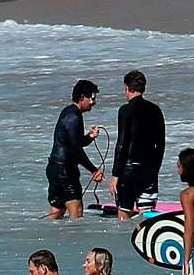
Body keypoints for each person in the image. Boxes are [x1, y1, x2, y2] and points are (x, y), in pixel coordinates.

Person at [108, 69, 165, 219]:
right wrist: (154, 170)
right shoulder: (156, 110)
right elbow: (160, 145)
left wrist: (115, 174)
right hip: (149, 171)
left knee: (123, 217)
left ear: (128, 88)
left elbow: (122, 143)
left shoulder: (125, 110)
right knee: (146, 217)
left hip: (128, 171)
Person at [44, 81, 102, 219]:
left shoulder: (68, 111)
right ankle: (75, 239)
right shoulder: (74, 117)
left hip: (54, 168)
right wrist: (94, 170)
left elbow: (73, 142)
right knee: (77, 211)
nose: (93, 102)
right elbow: (76, 150)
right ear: (82, 97)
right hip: (65, 172)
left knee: (56, 212)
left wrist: (89, 137)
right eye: (92, 98)